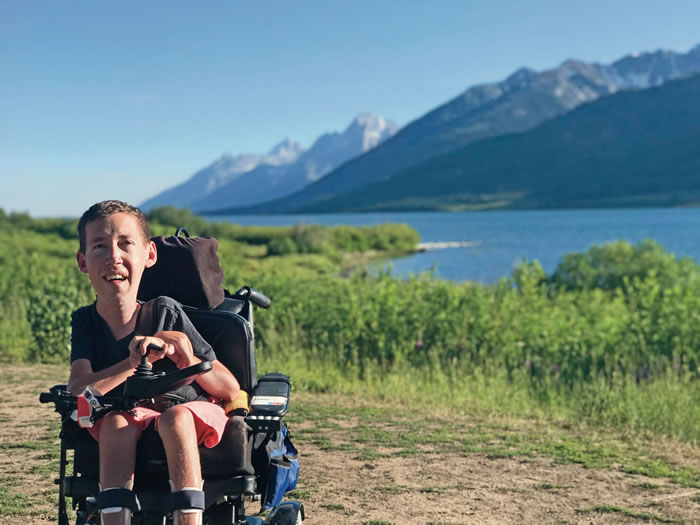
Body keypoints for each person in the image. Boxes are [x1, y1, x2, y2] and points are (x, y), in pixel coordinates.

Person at [67, 200, 239, 525]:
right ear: (83, 261)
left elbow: (230, 388)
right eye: (100, 247)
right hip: (127, 416)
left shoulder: (165, 312)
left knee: (175, 418)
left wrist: (187, 357)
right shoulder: (85, 322)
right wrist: (132, 364)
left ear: (149, 255)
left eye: (125, 244)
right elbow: (78, 391)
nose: (114, 257)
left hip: (186, 410)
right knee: (116, 422)